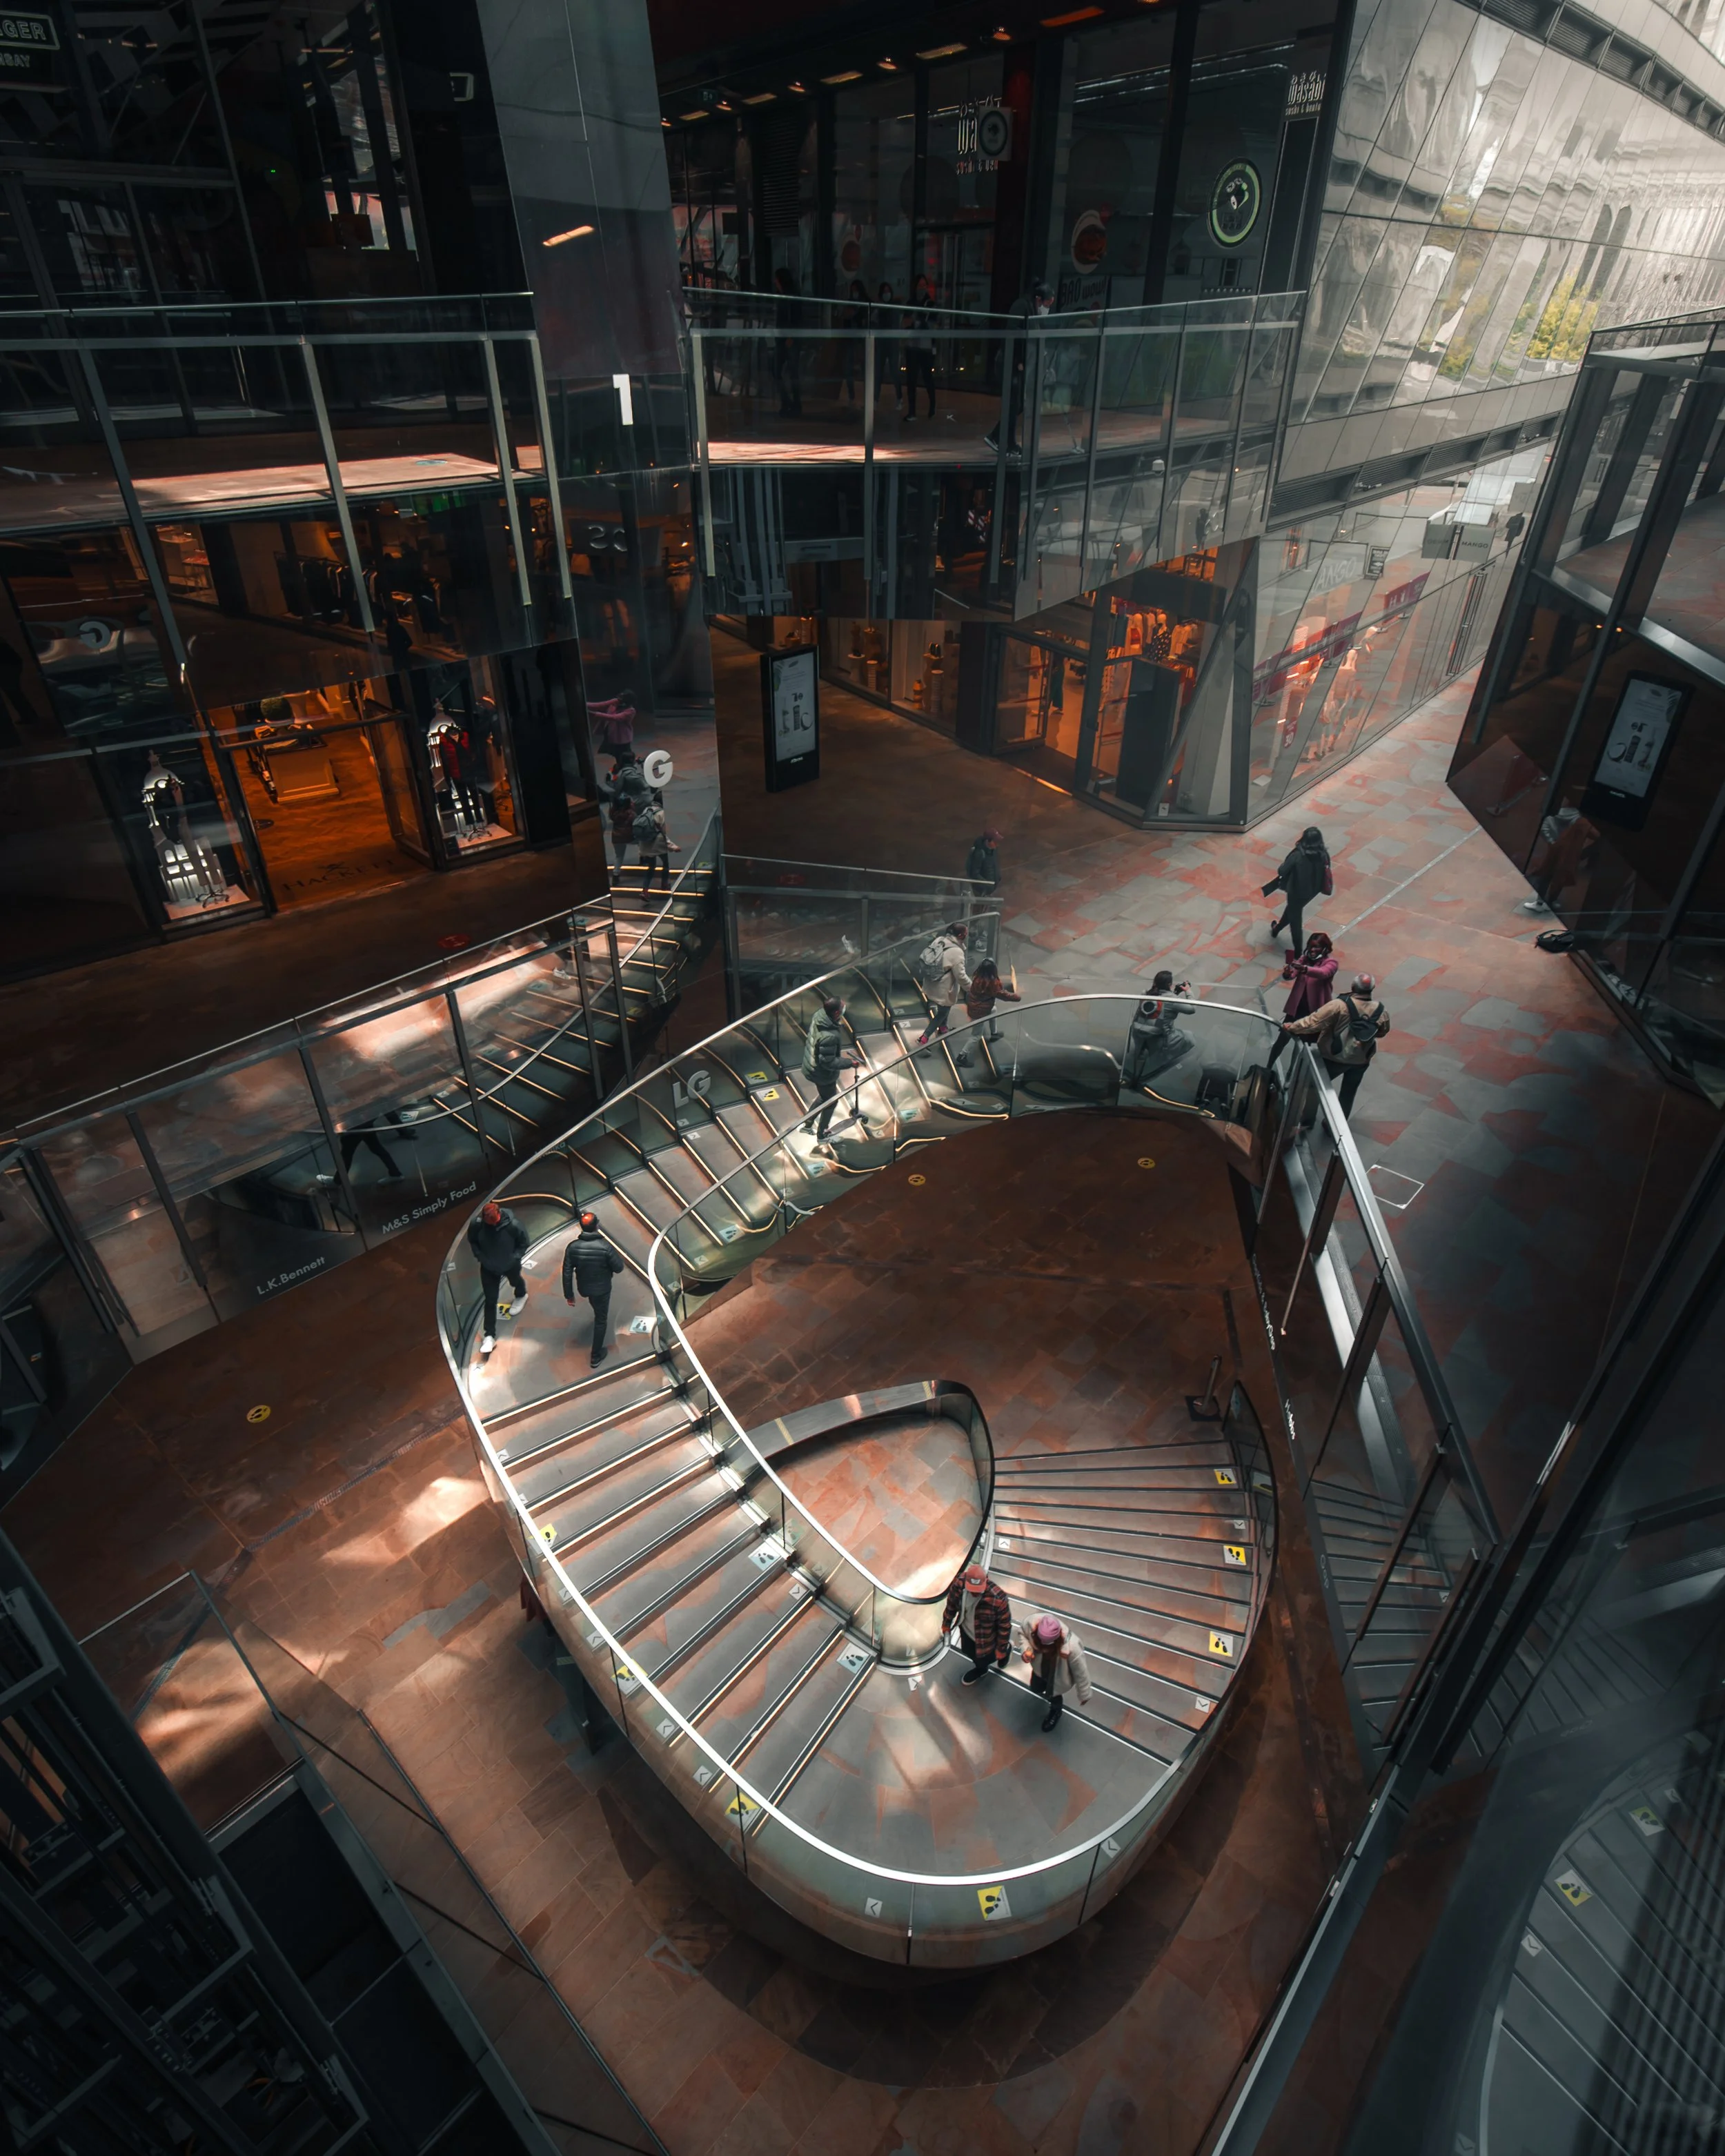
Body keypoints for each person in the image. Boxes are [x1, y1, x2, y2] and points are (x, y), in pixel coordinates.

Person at [1281, 971, 1389, 1118]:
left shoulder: (1339, 1005)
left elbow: (1313, 1023)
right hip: (1361, 1060)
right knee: (1348, 1093)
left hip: (1334, 1057)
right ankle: (1335, 1125)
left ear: (1353, 987)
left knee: (1315, 1086)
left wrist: (1292, 1027)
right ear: (1373, 988)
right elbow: (1382, 1032)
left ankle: (1307, 1121)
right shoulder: (1381, 1010)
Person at [985, 279, 1054, 451]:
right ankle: (1004, 441)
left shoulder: (1033, 311)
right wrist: (1019, 361)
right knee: (1013, 404)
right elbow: (1014, 334)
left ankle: (1000, 438)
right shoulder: (1022, 306)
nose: (1047, 308)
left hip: (1019, 364)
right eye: (1047, 304)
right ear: (1039, 299)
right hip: (1010, 363)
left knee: (1017, 404)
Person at [801, 994, 865, 1156]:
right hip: (822, 1073)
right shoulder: (829, 1036)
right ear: (836, 1013)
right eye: (842, 1006)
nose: (844, 1007)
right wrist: (850, 1063)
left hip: (812, 1066)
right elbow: (828, 1062)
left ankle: (808, 1123)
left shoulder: (820, 1016)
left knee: (825, 1097)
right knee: (831, 1101)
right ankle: (822, 1136)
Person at [562, 1209, 624, 1367]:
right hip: (602, 1289)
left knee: (595, 1304)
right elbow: (618, 1268)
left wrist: (569, 1295)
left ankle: (596, 1309)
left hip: (584, 1287)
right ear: (597, 1226)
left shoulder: (572, 1247)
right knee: (601, 1320)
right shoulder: (605, 1247)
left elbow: (567, 1272)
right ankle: (596, 1356)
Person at [466, 1198, 529, 1357]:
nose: (493, 1225)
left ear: (499, 1214)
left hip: (510, 1264)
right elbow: (473, 1241)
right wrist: (480, 1257)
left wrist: (514, 1258)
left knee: (515, 1281)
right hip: (489, 1268)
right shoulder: (477, 1226)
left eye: (495, 1221)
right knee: (490, 1300)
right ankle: (489, 1336)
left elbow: (524, 1242)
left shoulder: (513, 1226)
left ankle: (521, 1295)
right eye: (490, 1223)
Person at [1267, 931, 1337, 1068]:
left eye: (1316, 947)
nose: (1312, 950)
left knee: (1301, 1046)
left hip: (1313, 1013)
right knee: (1282, 1040)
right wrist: (1288, 973)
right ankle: (1268, 1067)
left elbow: (1323, 973)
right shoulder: (1304, 959)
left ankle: (1291, 1074)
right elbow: (1292, 974)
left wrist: (1305, 969)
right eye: (1310, 946)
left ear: (1324, 947)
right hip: (1296, 1009)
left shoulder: (1331, 963)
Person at [1019, 1610, 1094, 1732]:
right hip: (1039, 1669)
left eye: (1047, 1647)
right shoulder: (1031, 1624)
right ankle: (1046, 1695)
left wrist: (1084, 1694)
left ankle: (1056, 1710)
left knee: (1054, 1695)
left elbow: (1081, 1672)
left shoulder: (1073, 1647)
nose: (1044, 1649)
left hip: (1057, 1676)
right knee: (1035, 1688)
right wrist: (1027, 1650)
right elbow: (1022, 1633)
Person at [942, 1561, 1012, 1685]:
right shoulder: (959, 1584)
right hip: (966, 1630)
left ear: (986, 1581)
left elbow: (1004, 1626)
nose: (975, 1593)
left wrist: (1001, 1648)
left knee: (988, 1657)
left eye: (978, 1590)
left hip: (987, 1637)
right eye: (972, 1589)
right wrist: (946, 1624)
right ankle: (982, 1670)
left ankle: (1006, 1649)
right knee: (970, 1653)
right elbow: (951, 1604)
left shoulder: (998, 1598)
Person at [1262, 825, 1333, 949]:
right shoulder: (1323, 854)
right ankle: (1277, 929)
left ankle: (1298, 952)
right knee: (1292, 910)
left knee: (1295, 921)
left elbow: (1282, 871)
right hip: (1313, 891)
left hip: (1296, 891)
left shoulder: (1298, 855)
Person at [1122, 970, 1194, 1090]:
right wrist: (1188, 991)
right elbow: (1191, 1009)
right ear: (1169, 985)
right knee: (1189, 1037)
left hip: (1138, 1034)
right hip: (1160, 1037)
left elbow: (1162, 1001)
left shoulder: (1145, 993)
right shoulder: (1173, 1000)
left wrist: (1174, 994)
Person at [954, 957, 1020, 1067]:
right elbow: (1003, 995)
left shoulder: (977, 977)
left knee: (994, 1010)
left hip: (975, 1007)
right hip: (980, 1011)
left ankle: (994, 1033)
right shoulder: (992, 983)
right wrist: (1017, 997)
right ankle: (961, 1056)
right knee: (976, 1036)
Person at [916, 923, 969, 1045]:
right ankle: (924, 1037)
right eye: (965, 933)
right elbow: (961, 976)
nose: (967, 935)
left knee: (944, 1008)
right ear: (960, 936)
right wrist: (972, 988)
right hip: (944, 989)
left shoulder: (940, 940)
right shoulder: (957, 952)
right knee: (942, 1012)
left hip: (931, 983)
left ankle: (943, 1028)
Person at [901, 275, 938, 420]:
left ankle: (932, 406)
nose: (922, 288)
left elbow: (931, 325)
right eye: (920, 285)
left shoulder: (930, 304)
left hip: (926, 347)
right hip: (912, 346)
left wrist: (917, 322)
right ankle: (912, 412)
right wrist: (916, 322)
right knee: (911, 380)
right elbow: (905, 323)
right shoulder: (910, 303)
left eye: (924, 285)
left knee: (928, 378)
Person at [771, 266, 803, 417]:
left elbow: (796, 317)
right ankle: (788, 402)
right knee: (777, 370)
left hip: (790, 339)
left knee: (792, 373)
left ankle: (795, 404)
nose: (775, 282)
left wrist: (792, 336)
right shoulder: (781, 296)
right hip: (782, 338)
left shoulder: (791, 296)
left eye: (776, 279)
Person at [631, 794, 680, 888]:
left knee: (651, 867)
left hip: (646, 844)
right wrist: (674, 847)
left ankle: (645, 890)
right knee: (666, 863)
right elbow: (664, 833)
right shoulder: (662, 813)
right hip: (658, 844)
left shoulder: (647, 810)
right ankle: (664, 884)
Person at [840, 277, 868, 404]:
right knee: (848, 368)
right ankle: (852, 396)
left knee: (865, 369)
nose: (854, 292)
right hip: (850, 339)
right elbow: (845, 318)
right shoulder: (850, 302)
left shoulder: (866, 303)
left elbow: (865, 320)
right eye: (853, 290)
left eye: (856, 290)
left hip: (862, 341)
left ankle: (868, 397)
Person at [874, 281, 900, 409]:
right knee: (878, 373)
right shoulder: (878, 308)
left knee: (895, 372)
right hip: (881, 343)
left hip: (892, 344)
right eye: (884, 292)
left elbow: (895, 324)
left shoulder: (894, 308)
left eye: (888, 291)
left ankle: (899, 398)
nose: (887, 294)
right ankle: (875, 399)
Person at [965, 828, 1003, 892]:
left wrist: (998, 877)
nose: (997, 844)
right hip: (981, 891)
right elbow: (975, 874)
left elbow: (995, 865)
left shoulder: (994, 851)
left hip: (992, 889)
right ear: (988, 841)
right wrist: (987, 885)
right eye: (995, 842)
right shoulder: (979, 853)